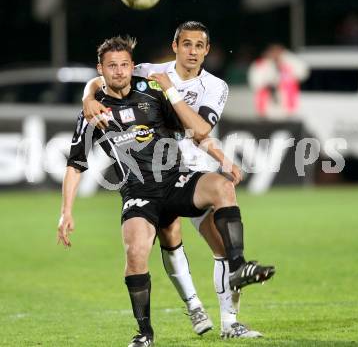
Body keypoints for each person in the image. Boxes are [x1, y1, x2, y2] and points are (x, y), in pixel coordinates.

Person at [58, 36, 275, 347]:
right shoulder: (93, 114)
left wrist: (223, 159)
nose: (119, 72)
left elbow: (192, 131)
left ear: (133, 67)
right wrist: (66, 211)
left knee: (222, 186)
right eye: (112, 66)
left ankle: (238, 266)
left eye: (124, 65)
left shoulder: (151, 93)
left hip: (175, 180)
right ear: (100, 70)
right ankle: (145, 333)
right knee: (135, 252)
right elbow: (75, 164)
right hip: (138, 192)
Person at [248, 44, 309, 118]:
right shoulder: (260, 65)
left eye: (278, 52)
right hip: (267, 109)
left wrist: (286, 56)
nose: (275, 54)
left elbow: (303, 72)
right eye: (273, 51)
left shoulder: (289, 64)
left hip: (287, 109)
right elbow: (256, 83)